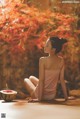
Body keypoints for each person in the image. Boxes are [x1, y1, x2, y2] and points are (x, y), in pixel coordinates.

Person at [24, 37, 68, 101]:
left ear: (53, 49)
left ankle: (33, 95)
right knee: (31, 77)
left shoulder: (43, 60)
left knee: (26, 80)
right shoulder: (61, 60)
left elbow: (41, 80)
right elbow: (62, 80)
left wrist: (39, 99)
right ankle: (37, 91)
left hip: (41, 95)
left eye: (47, 45)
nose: (45, 46)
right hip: (51, 95)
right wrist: (66, 98)